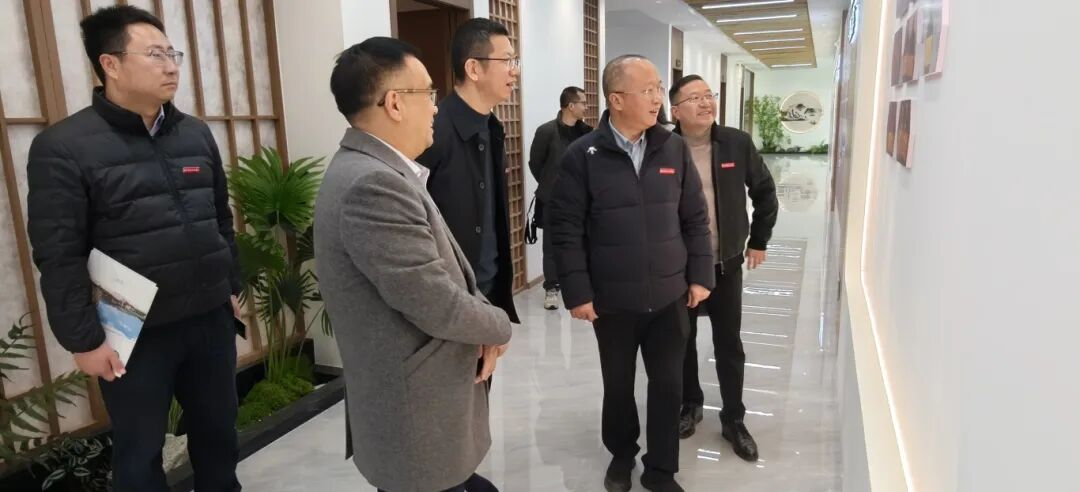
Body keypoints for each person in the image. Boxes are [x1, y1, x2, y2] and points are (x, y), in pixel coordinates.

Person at [26, 6, 242, 491]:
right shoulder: (64, 146)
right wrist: (84, 340)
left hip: (209, 318)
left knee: (219, 436)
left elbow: (219, 217)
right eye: (155, 55)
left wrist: (231, 284)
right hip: (133, 333)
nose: (171, 66)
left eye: (173, 54)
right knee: (140, 451)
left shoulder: (195, 132)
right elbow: (58, 254)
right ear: (110, 64)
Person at [316, 37, 513, 492]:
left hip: (421, 402)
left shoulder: (378, 169)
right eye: (427, 92)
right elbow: (435, 302)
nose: (435, 107)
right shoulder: (372, 185)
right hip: (415, 414)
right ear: (394, 103)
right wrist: (499, 325)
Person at [548, 55, 715, 492]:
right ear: (616, 99)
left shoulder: (673, 148)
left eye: (658, 88)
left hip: (670, 295)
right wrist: (578, 292)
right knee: (618, 385)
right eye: (648, 90)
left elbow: (695, 218)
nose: (658, 98)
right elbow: (565, 231)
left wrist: (700, 276)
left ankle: (661, 470)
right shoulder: (582, 155)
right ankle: (622, 455)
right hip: (613, 299)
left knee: (668, 385)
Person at [669, 75, 778, 461]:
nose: (705, 103)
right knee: (681, 341)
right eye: (694, 98)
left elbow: (765, 192)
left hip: (725, 264)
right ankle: (690, 404)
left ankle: (734, 418)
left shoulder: (736, 143)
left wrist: (758, 240)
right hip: (679, 268)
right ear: (675, 110)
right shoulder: (663, 147)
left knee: (728, 343)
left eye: (708, 95)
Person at [418, 18, 520, 334]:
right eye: (507, 61)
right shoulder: (432, 133)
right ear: (474, 68)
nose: (514, 71)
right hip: (449, 302)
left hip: (487, 291)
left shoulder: (492, 128)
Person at [528, 86, 592, 310]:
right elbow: (535, 163)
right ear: (571, 106)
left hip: (582, 199)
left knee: (583, 242)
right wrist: (551, 184)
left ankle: (580, 285)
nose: (586, 107)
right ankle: (552, 289)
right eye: (583, 102)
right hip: (552, 200)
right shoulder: (546, 131)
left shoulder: (587, 133)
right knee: (551, 246)